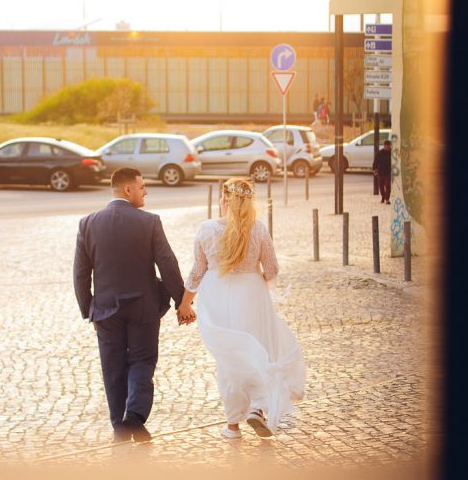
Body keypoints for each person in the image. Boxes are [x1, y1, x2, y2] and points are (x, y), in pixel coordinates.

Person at [176, 178, 305, 439]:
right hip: (252, 294)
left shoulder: (206, 230)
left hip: (216, 295)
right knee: (258, 348)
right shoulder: (258, 230)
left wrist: (185, 303)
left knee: (230, 356)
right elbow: (272, 270)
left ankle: (233, 425)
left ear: (224, 201)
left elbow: (197, 271)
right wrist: (256, 278)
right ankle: (257, 409)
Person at [73, 167, 186, 443]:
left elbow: (80, 273)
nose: (145, 191)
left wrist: (89, 309)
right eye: (142, 186)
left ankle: (119, 427)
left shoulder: (88, 223)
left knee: (112, 367)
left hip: (106, 309)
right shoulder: (149, 222)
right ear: (128, 190)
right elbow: (168, 265)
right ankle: (133, 417)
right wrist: (181, 301)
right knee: (143, 360)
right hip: (144, 308)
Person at [373, 138, 393, 204]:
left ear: (390, 146)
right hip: (381, 171)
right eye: (386, 145)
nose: (387, 147)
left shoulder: (392, 153)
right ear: (384, 146)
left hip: (389, 172)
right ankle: (383, 197)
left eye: (388, 145)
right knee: (381, 186)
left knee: (388, 186)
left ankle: (387, 199)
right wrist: (375, 169)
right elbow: (376, 161)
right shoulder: (380, 153)